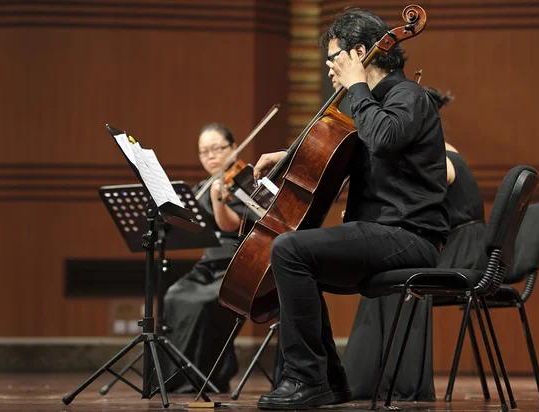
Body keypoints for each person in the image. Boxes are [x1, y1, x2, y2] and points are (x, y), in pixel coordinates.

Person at [251, 8, 450, 410]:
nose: (330, 69)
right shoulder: (368, 105)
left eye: (334, 58)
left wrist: (357, 84)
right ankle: (331, 380)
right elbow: (335, 159)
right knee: (295, 255)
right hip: (382, 234)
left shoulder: (407, 95)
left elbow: (383, 138)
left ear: (359, 53)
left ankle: (306, 379)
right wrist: (292, 156)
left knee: (290, 250)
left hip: (411, 237)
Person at [341, 87, 486, 402]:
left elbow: (443, 176)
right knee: (387, 273)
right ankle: (375, 380)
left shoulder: (442, 153)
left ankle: (388, 382)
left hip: (465, 249)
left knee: (397, 274)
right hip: (457, 243)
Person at [161, 123, 254, 393]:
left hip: (240, 263)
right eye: (204, 152)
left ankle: (208, 375)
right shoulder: (202, 187)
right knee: (174, 295)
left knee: (202, 302)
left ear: (234, 148)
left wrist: (219, 202)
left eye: (217, 149)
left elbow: (230, 226)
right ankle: (177, 378)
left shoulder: (249, 180)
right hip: (210, 263)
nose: (211, 156)